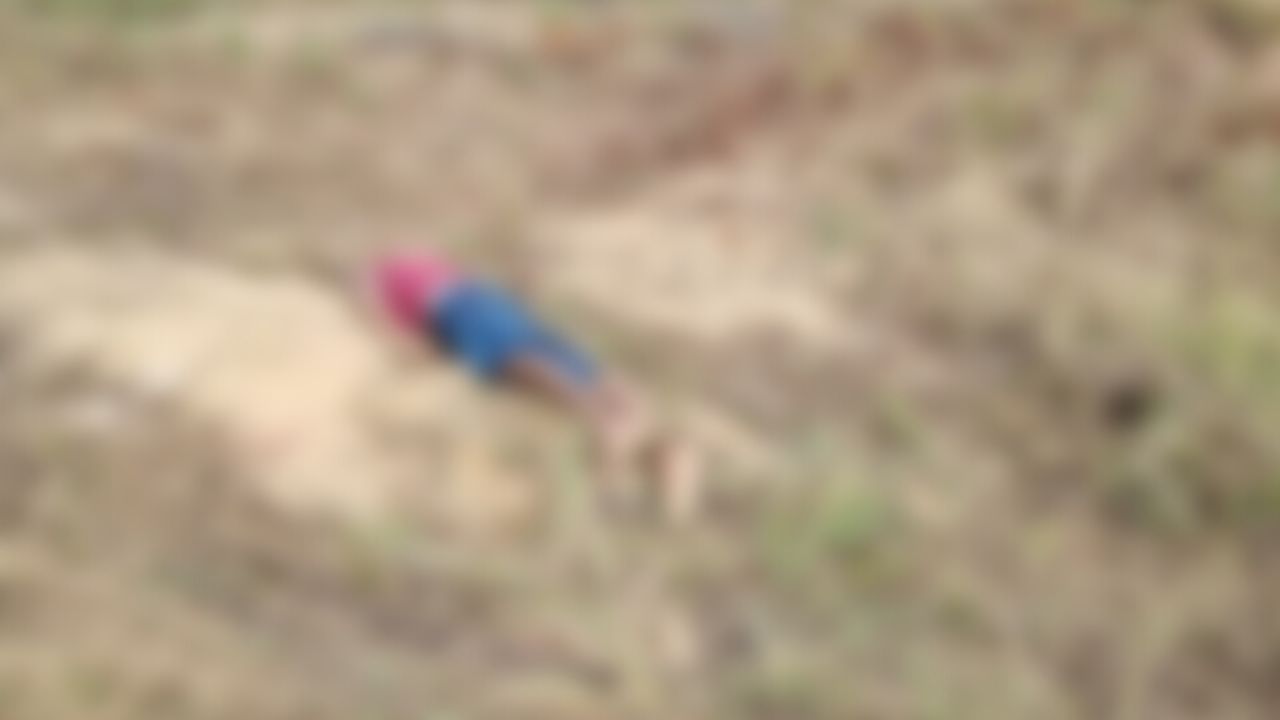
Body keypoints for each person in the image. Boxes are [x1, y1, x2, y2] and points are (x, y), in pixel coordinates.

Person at [372, 251, 700, 520]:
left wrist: (418, 353)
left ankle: (609, 434)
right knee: (567, 362)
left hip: (461, 310)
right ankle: (664, 458)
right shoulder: (422, 265)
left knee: (518, 358)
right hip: (498, 306)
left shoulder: (380, 275)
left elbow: (402, 335)